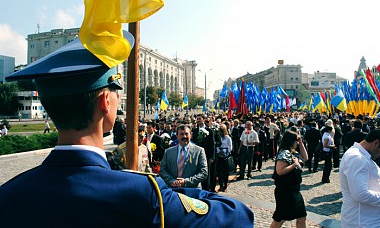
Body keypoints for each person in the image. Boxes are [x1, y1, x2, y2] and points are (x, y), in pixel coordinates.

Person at [0, 33, 254, 227]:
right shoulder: (142, 194)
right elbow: (239, 216)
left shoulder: (9, 195)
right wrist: (163, 192)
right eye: (113, 89)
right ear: (105, 102)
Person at [340, 130, 380, 227]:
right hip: (363, 222)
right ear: (376, 143)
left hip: (365, 220)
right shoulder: (358, 158)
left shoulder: (361, 156)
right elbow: (360, 194)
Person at [270, 130, 308, 228]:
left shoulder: (293, 152)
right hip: (285, 191)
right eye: (296, 141)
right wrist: (294, 165)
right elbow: (280, 171)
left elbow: (305, 158)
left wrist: (301, 142)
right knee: (280, 219)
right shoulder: (284, 153)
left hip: (295, 190)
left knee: (301, 217)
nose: (297, 143)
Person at [191, 114, 216, 191]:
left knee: (205, 173)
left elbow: (212, 144)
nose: (198, 120)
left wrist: (212, 157)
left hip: (207, 155)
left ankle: (206, 189)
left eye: (199, 119)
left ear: (204, 119)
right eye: (197, 119)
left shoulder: (209, 131)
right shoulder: (195, 131)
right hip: (197, 155)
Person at [216, 124, 233, 192]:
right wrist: (219, 151)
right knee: (219, 171)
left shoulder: (228, 138)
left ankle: (225, 184)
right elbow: (217, 145)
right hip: (219, 155)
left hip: (225, 156)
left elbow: (230, 147)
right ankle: (221, 185)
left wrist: (224, 151)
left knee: (225, 171)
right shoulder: (218, 137)